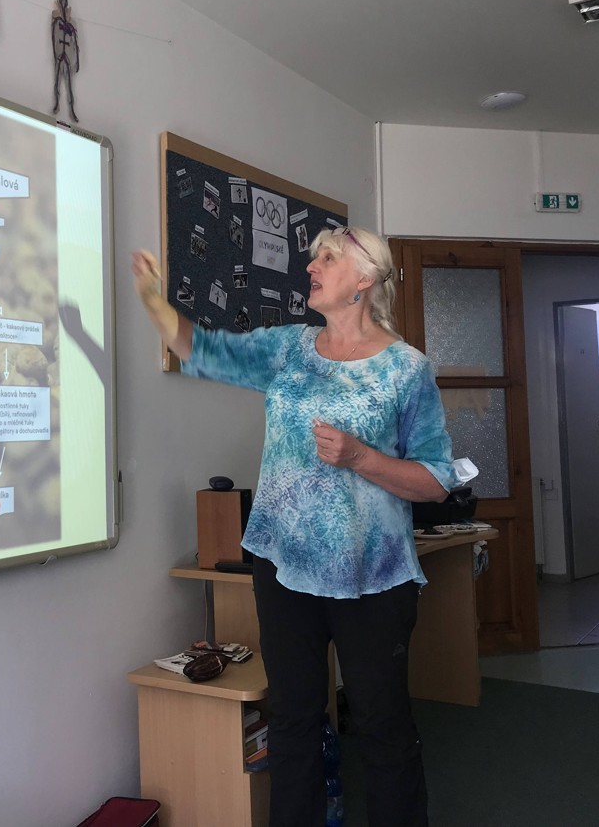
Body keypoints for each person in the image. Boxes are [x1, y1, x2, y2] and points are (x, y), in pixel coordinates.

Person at [131, 226, 453, 827]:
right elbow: (204, 350)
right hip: (283, 569)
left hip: (373, 579)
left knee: (383, 725)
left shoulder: (406, 370)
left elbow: (435, 479)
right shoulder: (288, 348)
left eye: (327, 258)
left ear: (365, 278)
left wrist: (362, 457)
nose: (312, 267)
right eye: (314, 258)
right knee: (294, 720)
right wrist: (153, 299)